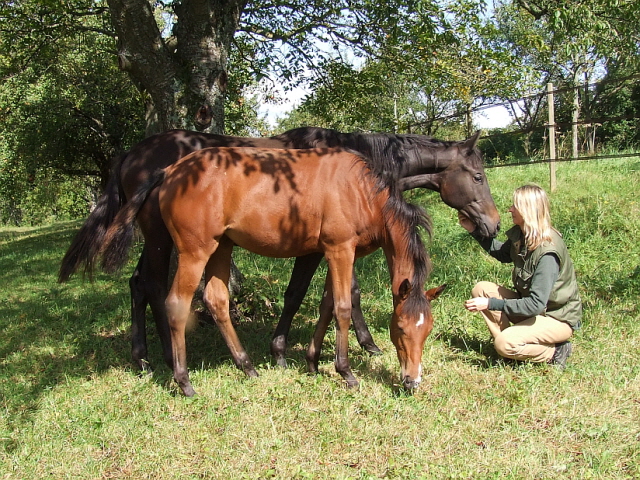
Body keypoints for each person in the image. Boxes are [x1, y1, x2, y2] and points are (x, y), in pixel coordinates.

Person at [460, 184, 582, 368]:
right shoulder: (523, 235)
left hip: (556, 318)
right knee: (482, 289)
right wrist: (473, 230)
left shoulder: (547, 253)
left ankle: (555, 351)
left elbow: (535, 305)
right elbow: (502, 254)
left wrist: (490, 304)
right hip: (535, 310)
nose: (510, 209)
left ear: (527, 210)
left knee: (504, 343)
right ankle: (510, 350)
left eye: (514, 206)